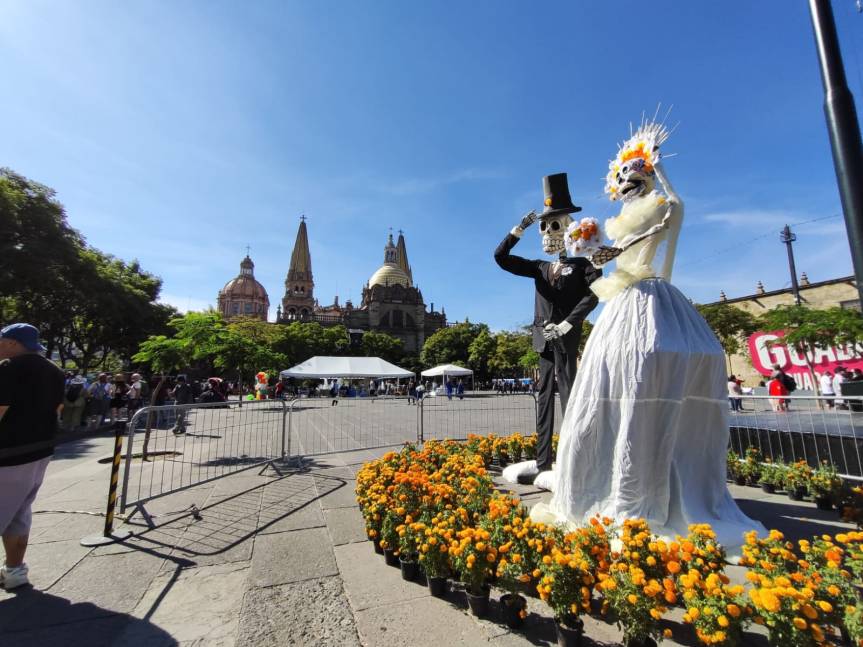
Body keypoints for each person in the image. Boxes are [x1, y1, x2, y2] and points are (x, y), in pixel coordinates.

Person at [532, 119, 763, 550]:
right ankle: (605, 475)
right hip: (621, 301)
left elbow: (673, 211)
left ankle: (666, 479)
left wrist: (660, 173)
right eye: (622, 178)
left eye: (634, 176)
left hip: (651, 293)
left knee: (659, 363)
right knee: (606, 378)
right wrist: (592, 251)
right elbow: (602, 258)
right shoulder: (615, 223)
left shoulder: (660, 208)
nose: (626, 183)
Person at [494, 172, 600, 484]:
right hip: (543, 340)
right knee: (543, 400)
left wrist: (568, 324)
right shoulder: (539, 267)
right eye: (544, 224)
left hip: (565, 339)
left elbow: (596, 294)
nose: (547, 231)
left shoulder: (585, 264)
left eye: (554, 224)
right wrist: (518, 230)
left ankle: (575, 458)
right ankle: (543, 462)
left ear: (569, 227)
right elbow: (501, 257)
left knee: (570, 395)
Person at [0, 323, 65, 589]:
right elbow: (58, 408)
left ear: (13, 343)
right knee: (19, 512)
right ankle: (15, 571)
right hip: (40, 451)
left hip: (8, 454)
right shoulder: (56, 371)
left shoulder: (8, 368)